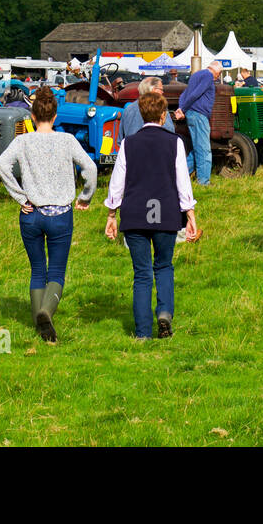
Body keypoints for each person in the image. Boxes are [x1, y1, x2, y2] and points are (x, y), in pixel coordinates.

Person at [0, 87, 98, 343]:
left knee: (37, 269)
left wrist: (19, 196)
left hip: (31, 213)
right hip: (60, 214)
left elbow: (1, 165)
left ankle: (41, 327)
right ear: (55, 116)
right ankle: (46, 312)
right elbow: (91, 168)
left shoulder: (22, 141)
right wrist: (85, 196)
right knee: (57, 272)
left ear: (31, 116)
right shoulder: (67, 141)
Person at [106, 92, 199, 339]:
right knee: (164, 266)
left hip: (135, 212)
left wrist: (111, 214)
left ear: (141, 114)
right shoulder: (175, 142)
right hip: (166, 211)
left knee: (142, 274)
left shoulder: (128, 143)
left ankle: (143, 332)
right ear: (162, 116)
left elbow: (118, 181)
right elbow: (182, 181)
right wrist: (189, 212)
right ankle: (165, 311)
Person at [174, 59, 220, 186]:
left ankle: (178, 176)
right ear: (214, 69)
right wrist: (182, 109)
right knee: (204, 149)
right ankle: (204, 182)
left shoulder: (196, 75)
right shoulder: (208, 76)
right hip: (200, 115)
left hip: (192, 114)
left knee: (197, 148)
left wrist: (181, 108)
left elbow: (185, 93)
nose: (219, 76)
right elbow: (195, 94)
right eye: (219, 72)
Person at [119, 76, 174, 141]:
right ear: (153, 90)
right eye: (161, 89)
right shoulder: (160, 107)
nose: (163, 92)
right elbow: (170, 131)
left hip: (131, 148)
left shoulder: (128, 109)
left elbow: (120, 138)